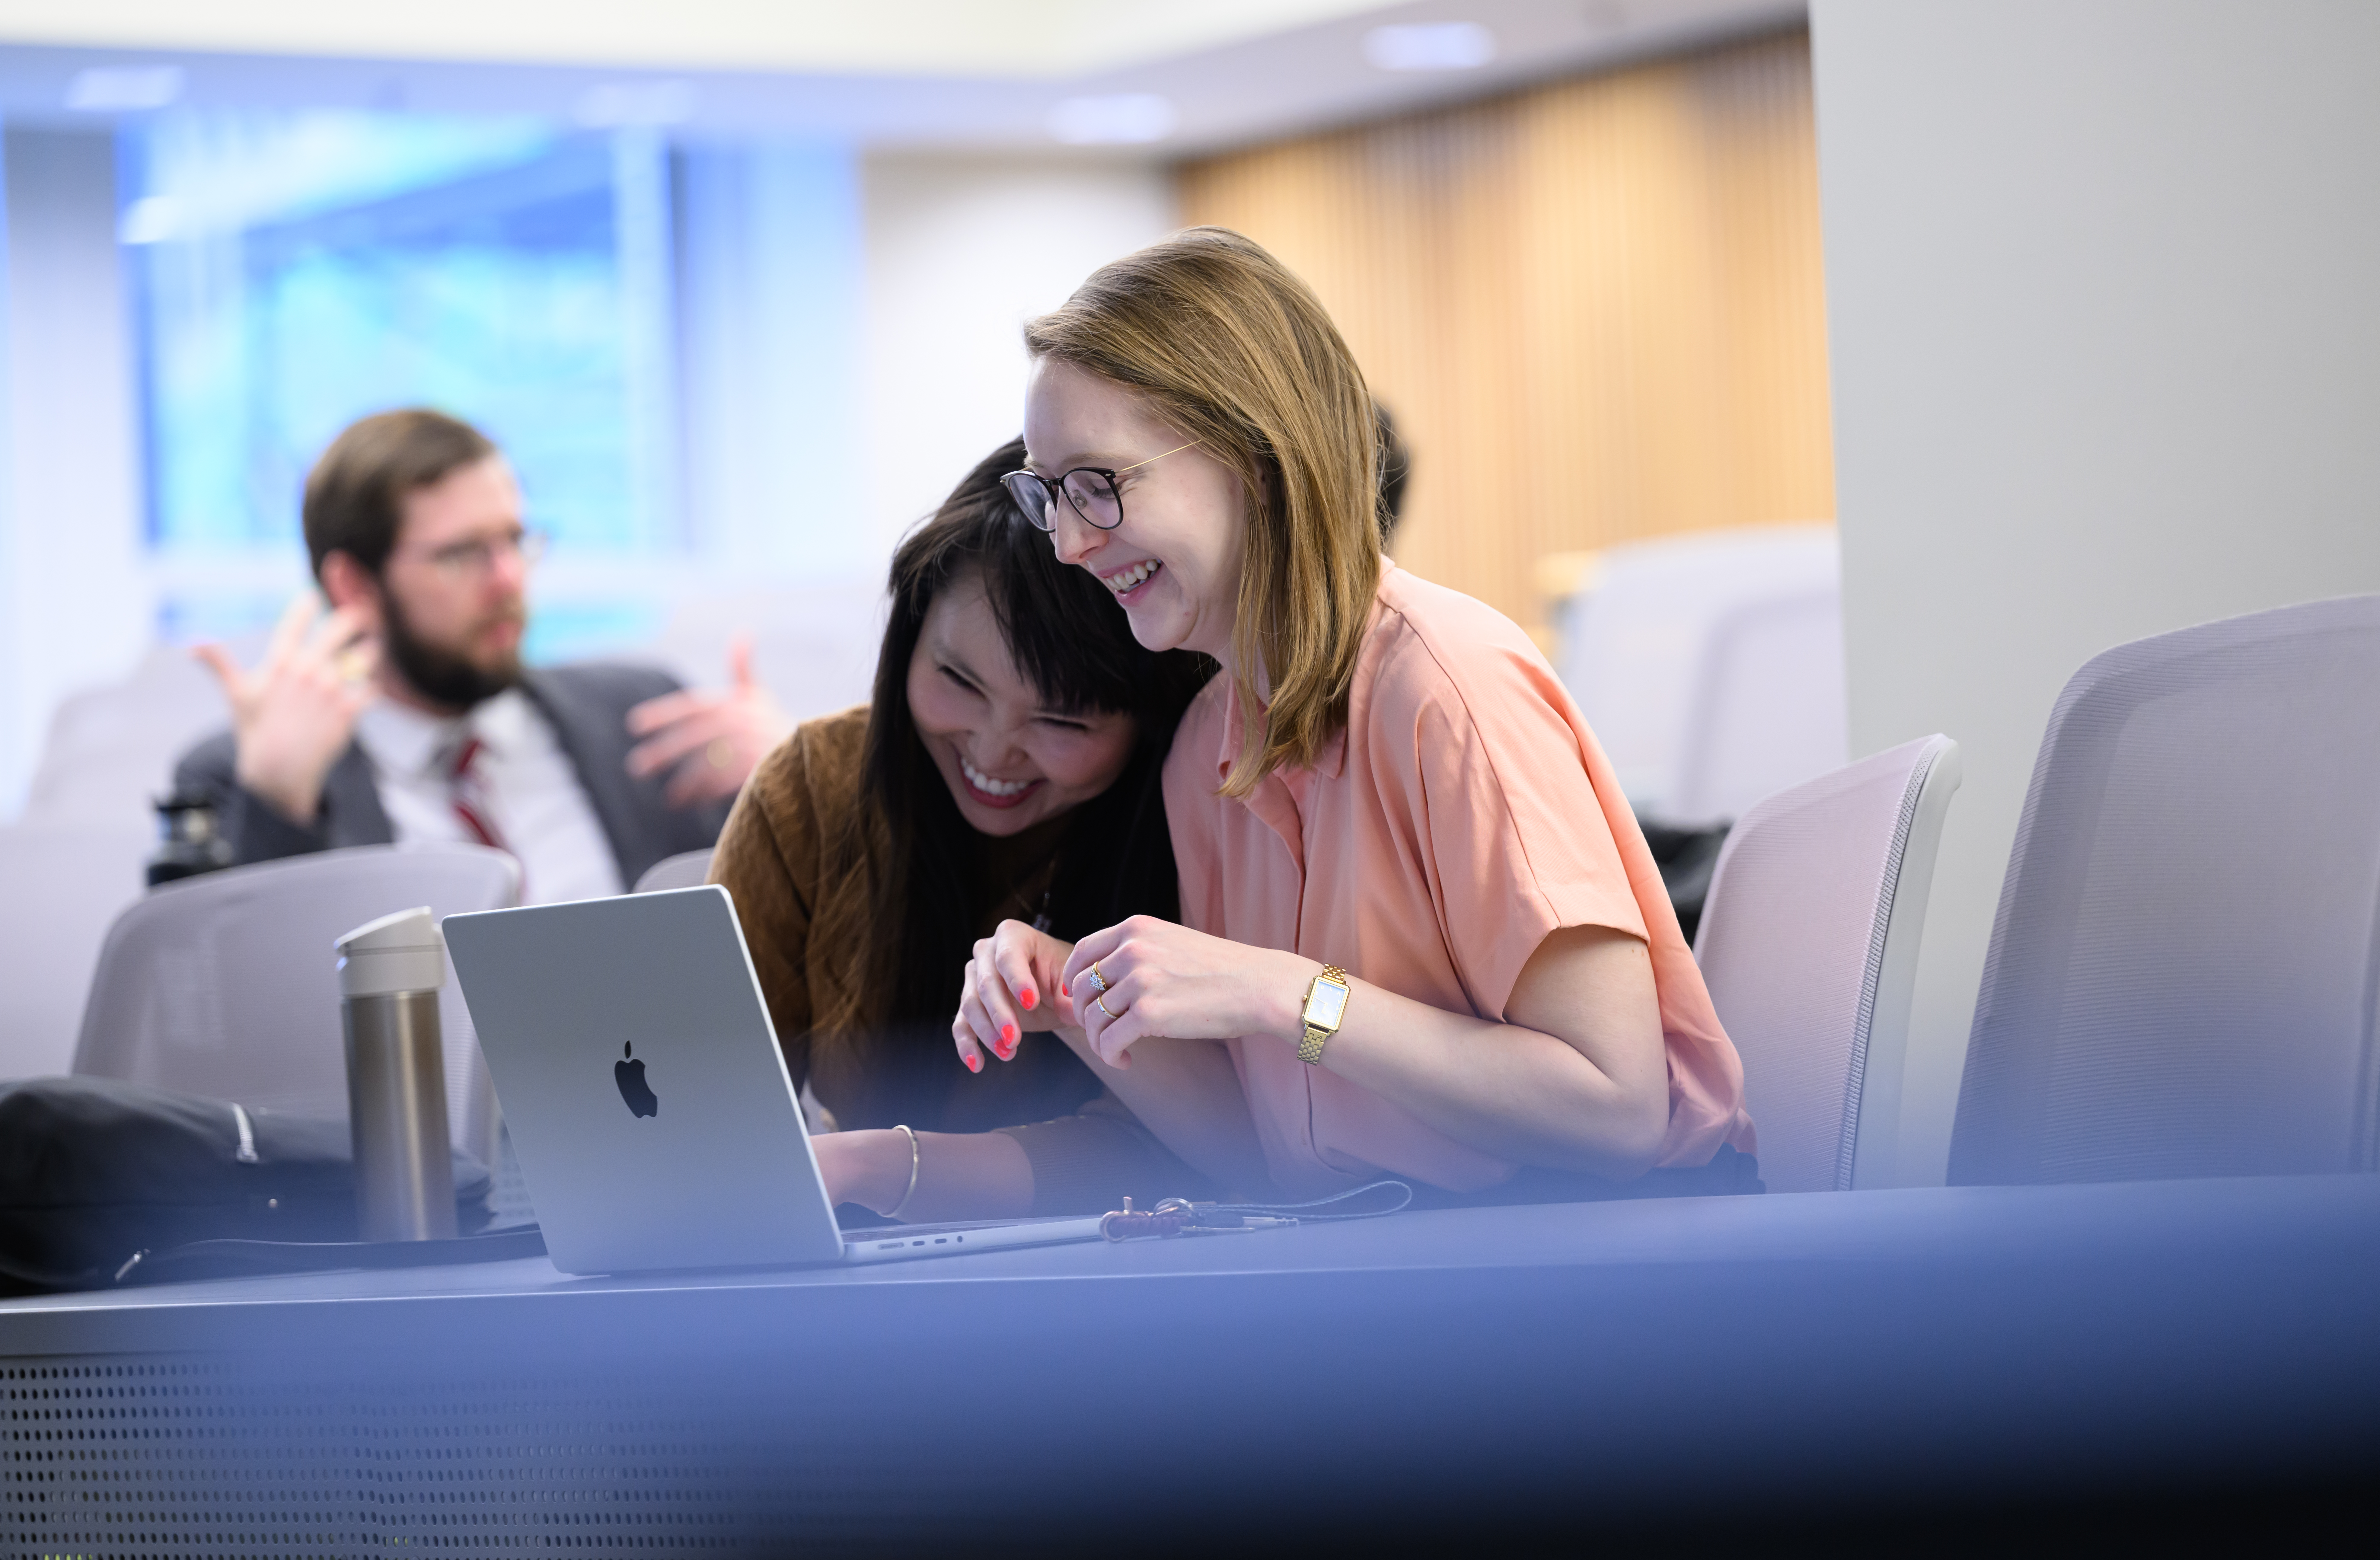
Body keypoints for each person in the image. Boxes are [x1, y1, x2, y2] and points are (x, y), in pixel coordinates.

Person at [959, 227, 1759, 1205]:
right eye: (1049, 494)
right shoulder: (1208, 749)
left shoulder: (1449, 691)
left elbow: (1615, 1109)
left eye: (1100, 486)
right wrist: (1072, 995)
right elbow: (1270, 1159)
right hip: (1410, 1249)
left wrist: (1286, 993)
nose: (1068, 544)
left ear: (1254, 458)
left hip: (1614, 1252)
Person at [708, 440, 1215, 1221]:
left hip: (1111, 1263)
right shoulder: (815, 786)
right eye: (957, 679)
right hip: (856, 1257)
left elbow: (1188, 1150)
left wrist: (881, 1166)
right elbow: (709, 1105)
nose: (992, 750)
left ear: (1149, 721)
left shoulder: (1199, 817)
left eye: (1060, 722)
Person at [176, 410, 784, 899]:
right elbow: (244, 999)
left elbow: (787, 951)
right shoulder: (245, 776)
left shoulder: (642, 716)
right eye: (461, 555)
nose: (508, 579)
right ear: (355, 586)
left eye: (515, 541)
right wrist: (279, 807)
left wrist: (800, 788)